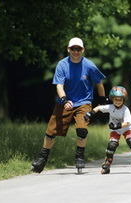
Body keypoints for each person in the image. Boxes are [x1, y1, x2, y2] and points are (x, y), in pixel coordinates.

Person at [31, 37, 107, 173]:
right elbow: (59, 85)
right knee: (50, 132)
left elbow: (99, 83)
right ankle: (42, 159)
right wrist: (65, 100)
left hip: (84, 102)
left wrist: (102, 99)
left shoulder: (89, 65)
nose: (76, 52)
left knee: (82, 129)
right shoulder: (62, 65)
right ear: (68, 49)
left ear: (83, 50)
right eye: (73, 49)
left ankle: (79, 156)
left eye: (78, 49)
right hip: (64, 102)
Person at [84, 86, 131, 174]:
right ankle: (107, 163)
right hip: (115, 131)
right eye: (116, 99)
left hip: (126, 129)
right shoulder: (110, 107)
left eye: (120, 100)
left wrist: (116, 126)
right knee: (112, 145)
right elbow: (99, 108)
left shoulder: (126, 110)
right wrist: (89, 114)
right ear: (112, 99)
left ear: (124, 100)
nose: (118, 102)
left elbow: (127, 123)